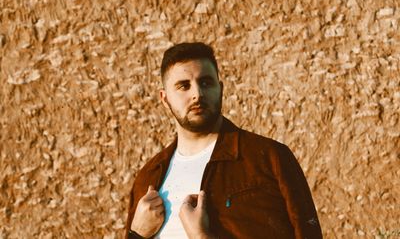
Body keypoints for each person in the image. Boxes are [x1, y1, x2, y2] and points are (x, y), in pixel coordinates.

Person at [125, 42, 322, 239]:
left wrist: (202, 236)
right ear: (165, 99)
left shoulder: (268, 158)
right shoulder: (148, 178)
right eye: (183, 86)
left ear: (220, 89)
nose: (197, 94)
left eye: (205, 83)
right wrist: (136, 235)